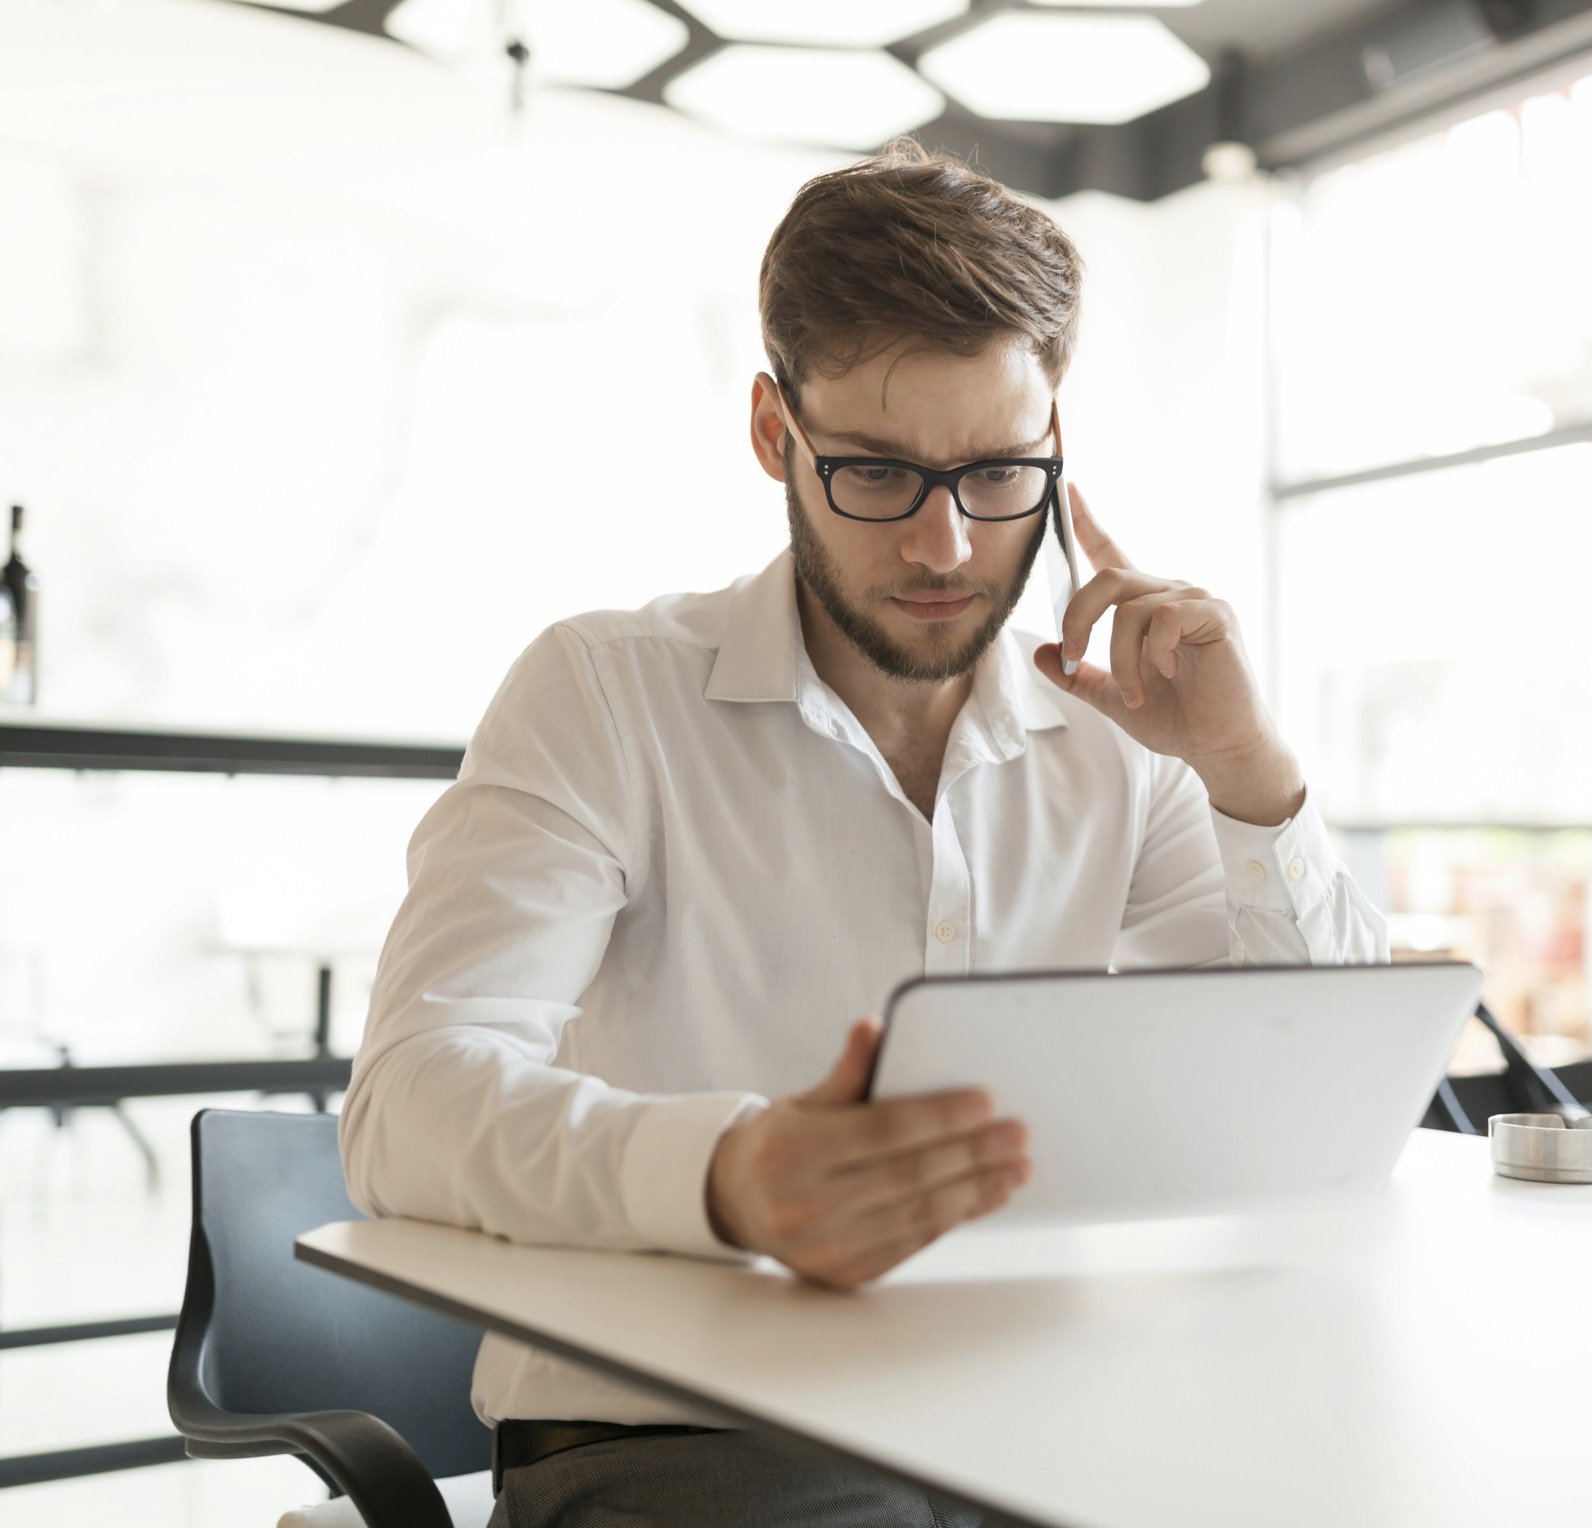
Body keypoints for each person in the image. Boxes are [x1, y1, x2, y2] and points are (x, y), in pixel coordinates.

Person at [341, 141, 1390, 1528]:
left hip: (1035, 1404)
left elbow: (1323, 1093)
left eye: (996, 473)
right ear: (777, 434)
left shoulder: (1119, 740)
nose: (946, 548)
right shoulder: (605, 691)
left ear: (1055, 439)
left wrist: (1250, 777)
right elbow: (408, 1102)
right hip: (686, 1433)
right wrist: (724, 1175)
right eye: (880, 475)